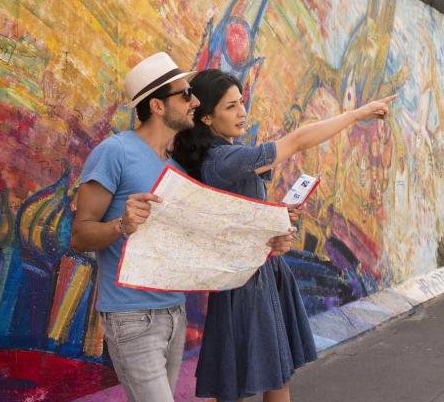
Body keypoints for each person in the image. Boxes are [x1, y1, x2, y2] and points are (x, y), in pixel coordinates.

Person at [70, 53, 295, 402]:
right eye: (184, 95)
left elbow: (209, 236)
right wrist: (122, 224)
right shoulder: (114, 152)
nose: (193, 101)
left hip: (173, 313)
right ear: (158, 106)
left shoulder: (177, 168)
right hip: (130, 316)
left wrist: (268, 241)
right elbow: (80, 235)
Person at [172, 69, 396, 402]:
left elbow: (237, 216)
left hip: (259, 273)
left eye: (241, 103)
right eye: (230, 106)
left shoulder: (226, 156)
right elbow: (296, 141)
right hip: (247, 281)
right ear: (206, 117)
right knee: (248, 380)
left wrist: (275, 216)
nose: (242, 112)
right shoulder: (225, 159)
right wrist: (358, 114)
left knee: (260, 374)